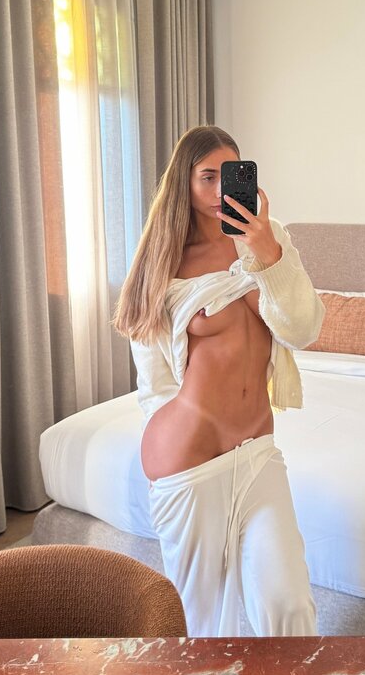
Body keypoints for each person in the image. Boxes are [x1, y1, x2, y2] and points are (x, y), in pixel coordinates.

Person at [112, 125, 326, 636]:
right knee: (200, 625)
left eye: (228, 176)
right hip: (189, 460)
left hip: (256, 451)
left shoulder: (269, 240)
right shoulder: (162, 265)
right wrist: (169, 448)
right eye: (207, 177)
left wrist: (266, 252)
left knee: (289, 604)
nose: (219, 191)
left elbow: (303, 330)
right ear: (184, 184)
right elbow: (154, 384)